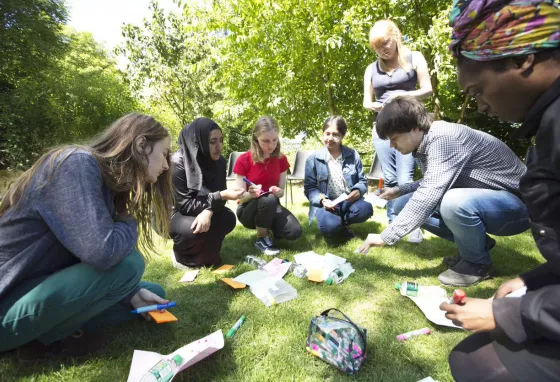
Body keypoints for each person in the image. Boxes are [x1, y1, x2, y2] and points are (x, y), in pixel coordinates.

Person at [438, 1, 560, 381]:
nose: (481, 106)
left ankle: (477, 260)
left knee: (479, 365)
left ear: (522, 58)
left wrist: (506, 313)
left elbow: (431, 190)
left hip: (507, 208)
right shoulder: (547, 124)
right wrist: (533, 280)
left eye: (477, 91)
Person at [0, 113, 173, 361]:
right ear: (141, 145)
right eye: (164, 153)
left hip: (35, 286)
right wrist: (129, 220)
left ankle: (56, 329)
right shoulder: (77, 164)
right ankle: (40, 341)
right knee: (130, 266)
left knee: (148, 293)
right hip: (7, 302)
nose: (167, 165)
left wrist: (128, 293)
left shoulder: (101, 181)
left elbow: (83, 253)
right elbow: (102, 252)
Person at [356, 96, 530, 287]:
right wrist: (400, 189)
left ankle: (477, 264)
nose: (392, 145)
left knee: (451, 201)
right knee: (400, 204)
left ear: (414, 128)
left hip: (521, 206)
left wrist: (385, 236)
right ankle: (477, 248)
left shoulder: (444, 139)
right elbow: (435, 179)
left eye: (394, 138)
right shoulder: (428, 139)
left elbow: (430, 191)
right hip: (492, 202)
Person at [363, 19, 433, 243]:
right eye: (377, 47)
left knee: (406, 177)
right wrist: (373, 105)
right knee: (390, 178)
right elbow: (366, 101)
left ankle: (411, 223)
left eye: (385, 43)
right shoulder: (371, 69)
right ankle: (393, 224)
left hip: (408, 126)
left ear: (395, 37)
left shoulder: (415, 57)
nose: (382, 50)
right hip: (382, 128)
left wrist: (402, 95)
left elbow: (428, 90)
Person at [170, 118, 245, 268]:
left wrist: (209, 211)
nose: (219, 147)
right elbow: (184, 204)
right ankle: (180, 255)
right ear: (199, 141)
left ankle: (204, 254)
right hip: (175, 212)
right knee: (192, 229)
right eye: (212, 142)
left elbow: (220, 196)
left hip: (202, 208)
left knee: (227, 218)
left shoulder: (220, 162)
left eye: (221, 140)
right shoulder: (178, 162)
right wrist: (220, 196)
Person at [233, 116, 302, 255]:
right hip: (247, 209)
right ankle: (261, 238)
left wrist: (278, 192)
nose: (271, 145)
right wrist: (251, 194)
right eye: (265, 141)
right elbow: (239, 198)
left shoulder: (281, 159)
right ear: (256, 139)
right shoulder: (244, 160)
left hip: (272, 205)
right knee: (268, 199)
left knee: (294, 231)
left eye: (274, 140)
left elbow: (281, 192)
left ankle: (268, 226)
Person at [304, 116, 373, 241]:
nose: (330, 138)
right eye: (327, 133)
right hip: (327, 203)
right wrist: (322, 200)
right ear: (323, 133)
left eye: (335, 134)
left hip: (348, 201)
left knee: (366, 209)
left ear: (342, 135)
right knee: (329, 227)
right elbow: (309, 188)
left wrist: (358, 190)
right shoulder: (312, 159)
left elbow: (362, 181)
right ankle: (337, 225)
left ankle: (341, 224)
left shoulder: (353, 155)